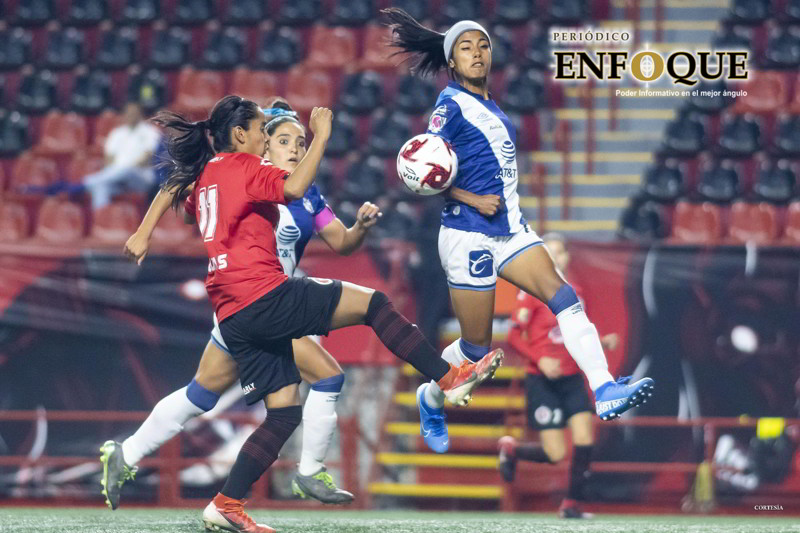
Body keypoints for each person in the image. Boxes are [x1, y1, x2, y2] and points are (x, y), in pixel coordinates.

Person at [142, 95, 503, 533]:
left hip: (232, 313)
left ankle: (226, 503)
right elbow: (293, 189)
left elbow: (185, 205)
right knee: (374, 304)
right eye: (260, 130)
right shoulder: (245, 166)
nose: (264, 137)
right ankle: (448, 378)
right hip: (263, 294)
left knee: (283, 414)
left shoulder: (209, 175)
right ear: (239, 134)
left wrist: (145, 231)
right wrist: (322, 137)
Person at [382, 8, 655, 454]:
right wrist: (471, 199)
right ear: (451, 61)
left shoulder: (490, 103)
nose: (476, 53)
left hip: (511, 230)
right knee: (474, 348)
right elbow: (417, 169)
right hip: (467, 234)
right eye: (465, 48)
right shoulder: (449, 106)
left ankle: (604, 388)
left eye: (482, 45)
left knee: (565, 298)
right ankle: (430, 397)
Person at [99, 99, 378, 510]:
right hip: (257, 304)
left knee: (200, 395)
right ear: (263, 144)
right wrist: (144, 232)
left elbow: (342, 241)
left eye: (299, 142)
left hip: (261, 306)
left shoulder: (307, 195)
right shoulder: (242, 175)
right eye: (282, 139)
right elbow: (178, 184)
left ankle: (127, 453)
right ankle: (308, 471)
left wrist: (361, 228)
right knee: (327, 377)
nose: (294, 148)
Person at [497, 233, 621, 519]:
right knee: (555, 454)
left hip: (571, 378)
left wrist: (601, 341)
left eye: (559, 252)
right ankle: (513, 450)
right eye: (548, 253)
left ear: (567, 257)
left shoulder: (576, 293)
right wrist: (540, 359)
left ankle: (572, 504)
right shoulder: (530, 291)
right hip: (542, 381)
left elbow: (576, 335)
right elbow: (513, 336)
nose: (555, 258)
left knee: (585, 437)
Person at [83, 101, 162, 209]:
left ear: (140, 114)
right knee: (100, 187)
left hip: (141, 177)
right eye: (129, 113)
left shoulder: (151, 132)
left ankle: (87, 182)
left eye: (134, 113)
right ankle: (102, 216)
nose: (131, 116)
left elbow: (147, 158)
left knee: (126, 170)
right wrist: (117, 173)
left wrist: (125, 169)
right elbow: (108, 159)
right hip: (117, 177)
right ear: (124, 114)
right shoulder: (117, 133)